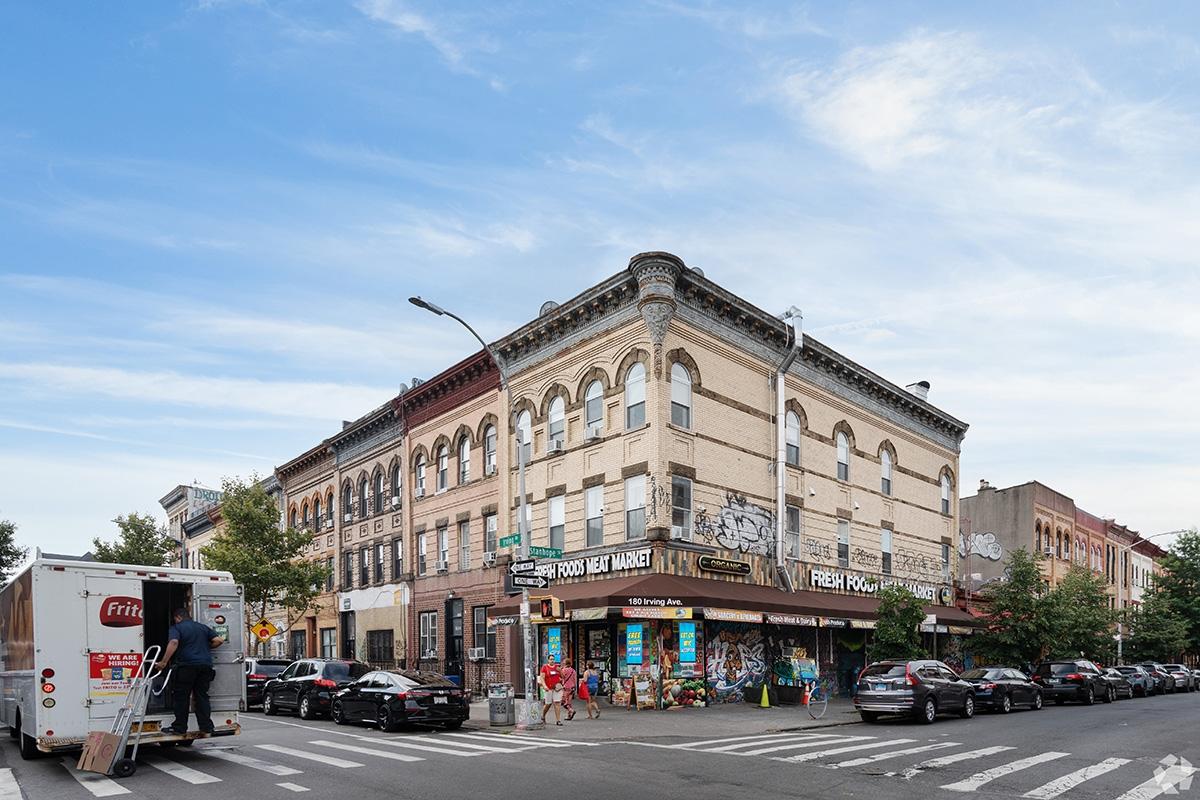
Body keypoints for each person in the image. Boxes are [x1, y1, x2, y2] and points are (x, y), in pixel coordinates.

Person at [155, 607, 224, 735]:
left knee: (182, 697)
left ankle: (179, 728)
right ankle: (206, 727)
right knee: (202, 696)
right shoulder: (202, 627)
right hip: (205, 666)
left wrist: (163, 662)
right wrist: (206, 647)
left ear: (178, 617)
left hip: (186, 666)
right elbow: (219, 640)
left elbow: (174, 642)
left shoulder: (177, 627)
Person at [538, 653, 564, 726]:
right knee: (548, 704)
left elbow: (563, 676)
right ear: (548, 660)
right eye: (551, 659)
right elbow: (542, 678)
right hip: (548, 688)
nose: (552, 661)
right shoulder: (545, 667)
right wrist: (544, 686)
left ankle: (558, 720)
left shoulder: (557, 667)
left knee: (557, 703)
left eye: (553, 659)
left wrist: (560, 671)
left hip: (557, 688)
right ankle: (543, 716)